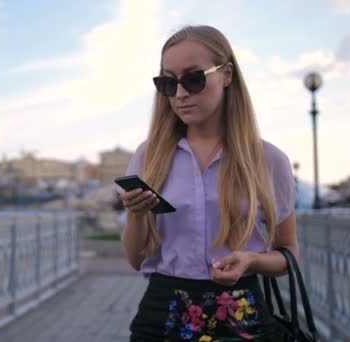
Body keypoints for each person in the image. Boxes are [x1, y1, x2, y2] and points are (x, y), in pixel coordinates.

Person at [120, 25, 297, 341]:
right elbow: (135, 260)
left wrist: (251, 259)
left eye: (193, 78)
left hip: (243, 319)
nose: (181, 94)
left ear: (227, 74)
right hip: (163, 317)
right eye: (168, 82)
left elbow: (288, 255)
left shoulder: (269, 160)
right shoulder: (149, 156)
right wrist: (136, 213)